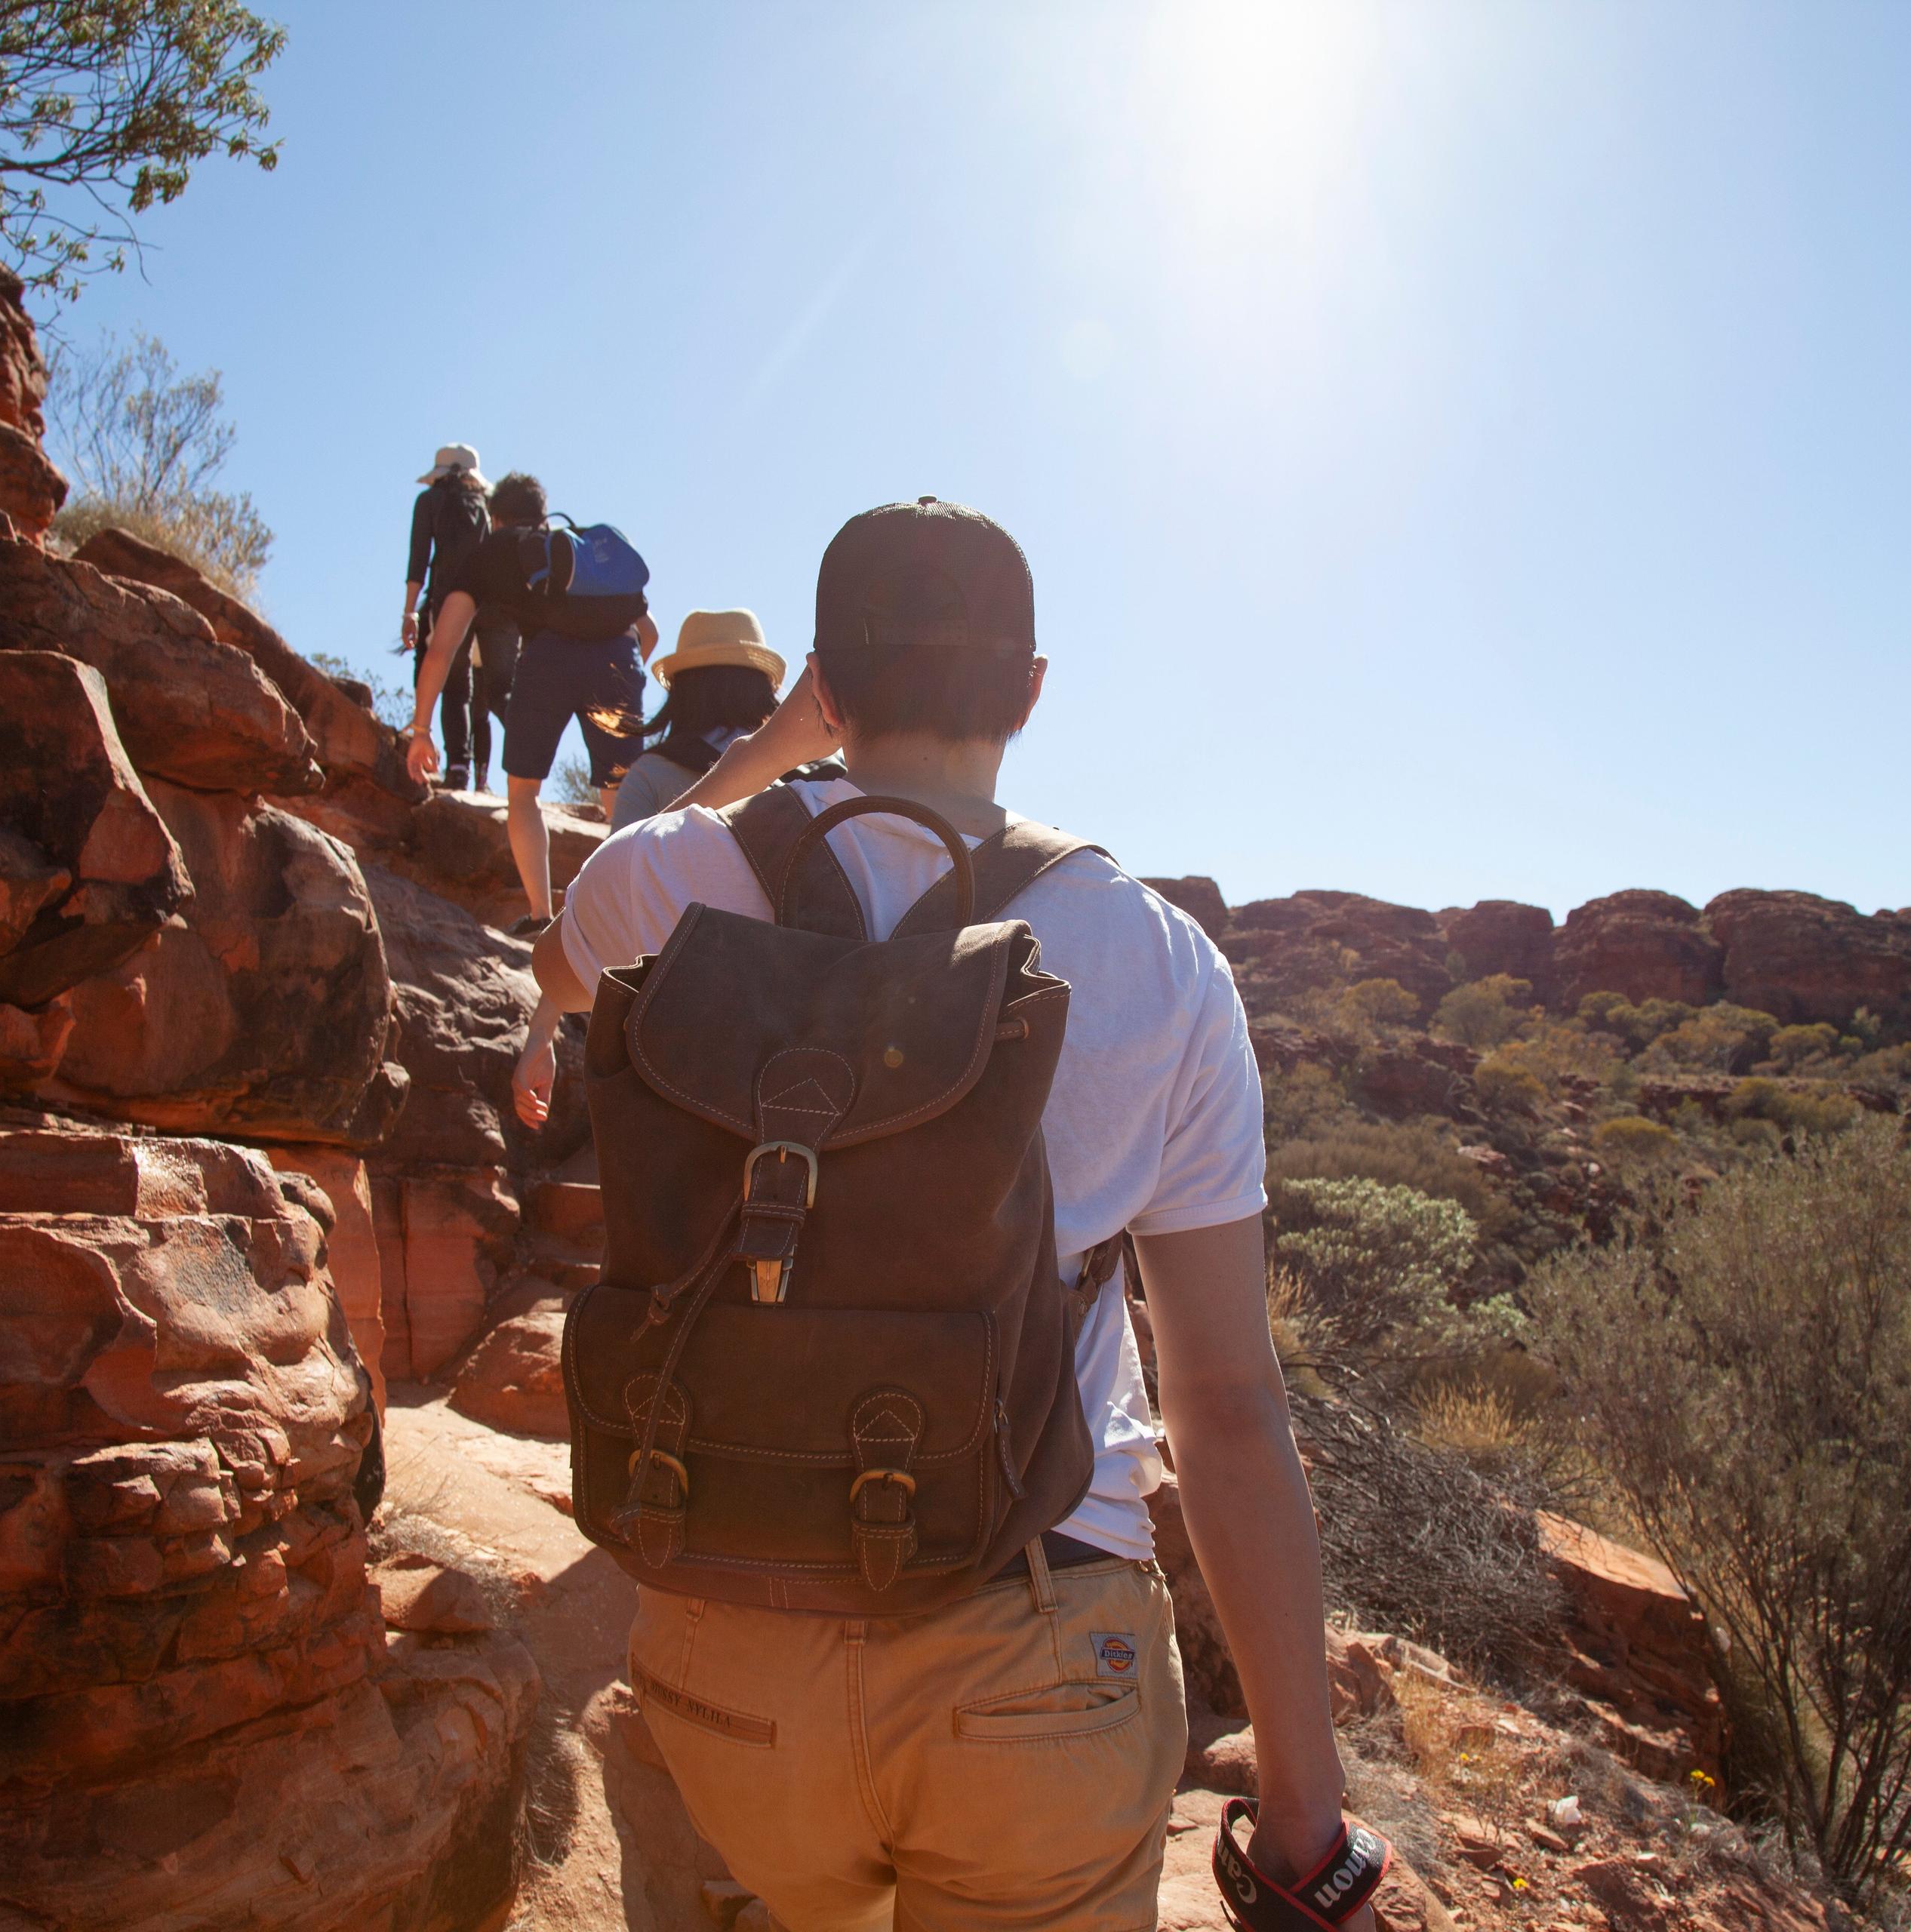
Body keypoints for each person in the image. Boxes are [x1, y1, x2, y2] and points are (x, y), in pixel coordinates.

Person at [510, 498, 1364, 1930]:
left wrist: (774, 754)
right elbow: (1225, 1405)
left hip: (733, 1634)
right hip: (1033, 1645)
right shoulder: (1164, 967)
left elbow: (559, 958)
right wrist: (1302, 1816)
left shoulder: (662, 878)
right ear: (1030, 693)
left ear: (822, 685)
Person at [408, 471, 656, 936]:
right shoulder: (580, 553)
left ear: (496, 517)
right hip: (618, 658)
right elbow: (650, 632)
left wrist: (421, 730)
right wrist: (620, 676)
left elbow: (442, 648)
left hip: (546, 661)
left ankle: (542, 917)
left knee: (524, 790)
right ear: (543, 515)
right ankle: (629, 919)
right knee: (619, 797)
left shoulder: (489, 553)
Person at [606, 608, 784, 829]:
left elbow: (617, 861)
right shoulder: (798, 768)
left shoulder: (648, 773)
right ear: (762, 690)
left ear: (680, 693)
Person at [394, 445, 497, 791]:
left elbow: (418, 559)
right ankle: (469, 771)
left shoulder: (429, 502)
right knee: (469, 691)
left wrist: (410, 611)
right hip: (487, 607)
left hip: (447, 599)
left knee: (444, 677)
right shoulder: (485, 507)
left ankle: (448, 764)